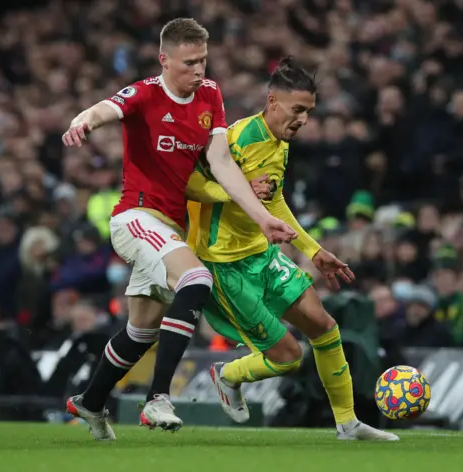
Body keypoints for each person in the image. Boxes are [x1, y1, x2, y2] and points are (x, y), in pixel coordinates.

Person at [62, 18, 297, 440]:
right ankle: (157, 398)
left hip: (170, 227)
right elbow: (105, 108)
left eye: (203, 60)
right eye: (189, 62)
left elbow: (222, 162)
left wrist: (263, 217)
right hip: (135, 217)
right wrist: (84, 120)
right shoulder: (146, 93)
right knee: (196, 278)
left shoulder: (210, 95)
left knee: (141, 331)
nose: (198, 71)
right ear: (164, 60)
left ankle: (90, 402)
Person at [184, 57, 398, 441]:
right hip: (222, 263)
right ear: (272, 101)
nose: (302, 119)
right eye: (297, 109)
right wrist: (240, 192)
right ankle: (227, 374)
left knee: (324, 325)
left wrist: (313, 250)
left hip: (260, 254)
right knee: (287, 358)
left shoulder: (279, 145)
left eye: (309, 112)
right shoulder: (235, 138)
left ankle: (348, 423)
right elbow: (188, 185)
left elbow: (275, 202)